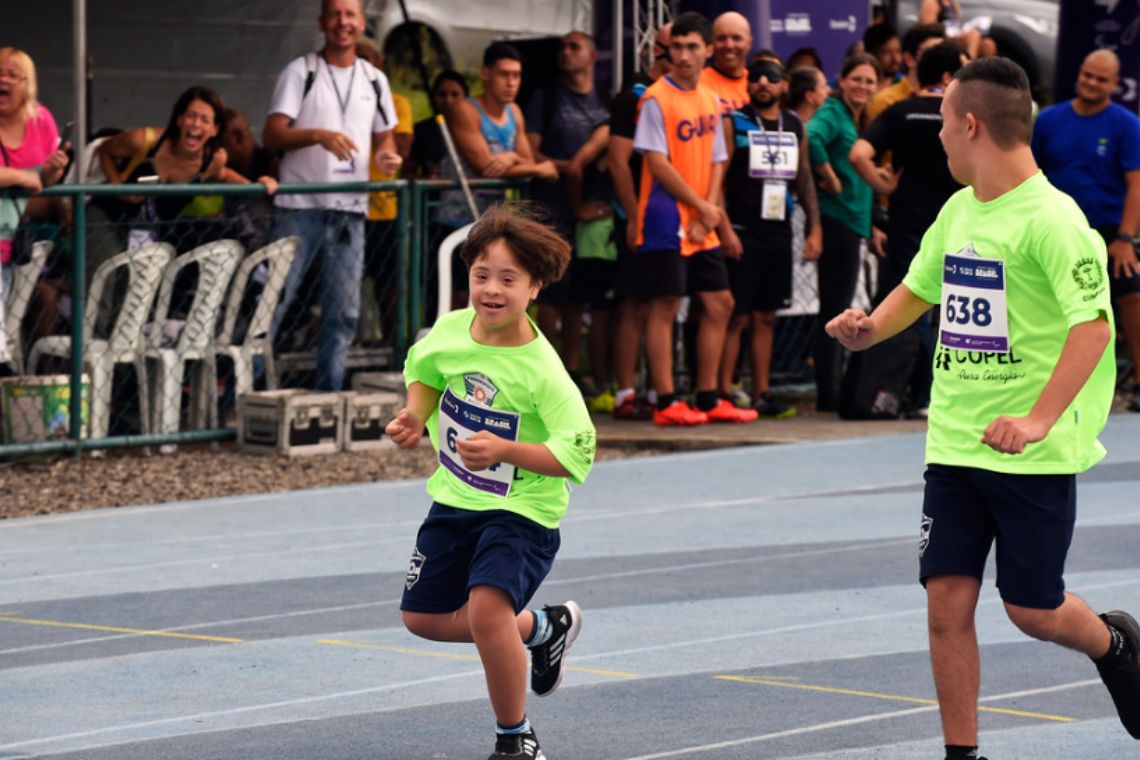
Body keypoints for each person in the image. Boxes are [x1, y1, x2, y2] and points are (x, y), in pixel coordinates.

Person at [826, 56, 1140, 760]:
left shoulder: (1055, 220)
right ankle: (963, 755)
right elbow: (919, 286)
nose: (937, 137)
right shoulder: (959, 209)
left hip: (1029, 451)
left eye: (941, 122)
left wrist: (1037, 420)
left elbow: (1093, 326)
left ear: (970, 124)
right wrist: (870, 326)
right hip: (955, 445)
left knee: (1032, 609)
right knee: (946, 607)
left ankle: (1113, 641)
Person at [386, 205, 595, 760]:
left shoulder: (543, 371)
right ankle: (541, 630)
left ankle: (515, 738)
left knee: (484, 610)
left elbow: (578, 452)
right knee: (422, 618)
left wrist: (506, 449)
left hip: (524, 508)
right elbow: (425, 370)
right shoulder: (453, 329)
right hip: (455, 500)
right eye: (482, 275)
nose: (492, 290)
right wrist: (412, 415)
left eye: (508, 279)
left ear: (534, 287)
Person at [263, 0, 402, 391]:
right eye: (336, 14)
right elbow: (272, 134)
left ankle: (329, 396)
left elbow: (384, 138)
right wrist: (317, 135)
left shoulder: (374, 79)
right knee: (273, 303)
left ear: (361, 23)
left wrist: (388, 158)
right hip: (298, 208)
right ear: (322, 22)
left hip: (349, 210)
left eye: (351, 14)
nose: (344, 22)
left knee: (344, 311)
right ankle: (246, 396)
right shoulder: (300, 71)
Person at [632, 10, 757, 425]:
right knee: (666, 304)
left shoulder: (710, 98)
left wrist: (710, 209)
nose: (683, 55)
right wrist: (701, 206)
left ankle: (708, 396)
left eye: (692, 47)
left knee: (720, 302)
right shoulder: (655, 98)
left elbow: (720, 157)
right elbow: (657, 162)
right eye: (677, 47)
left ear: (706, 50)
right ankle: (667, 401)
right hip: (666, 214)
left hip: (703, 214)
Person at [1032, 49, 1140, 412]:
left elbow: (1136, 185)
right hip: (1056, 228)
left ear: (1114, 83)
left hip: (1109, 232)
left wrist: (1125, 240)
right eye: (1087, 74)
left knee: (1133, 297)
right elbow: (1030, 174)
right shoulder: (1048, 121)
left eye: (1101, 78)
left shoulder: (1126, 125)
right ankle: (1050, 386)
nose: (1092, 83)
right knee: (1052, 305)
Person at [718, 54, 821, 418]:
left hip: (778, 230)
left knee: (766, 317)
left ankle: (761, 393)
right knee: (737, 315)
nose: (763, 83)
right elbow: (718, 178)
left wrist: (815, 226)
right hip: (743, 231)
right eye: (757, 77)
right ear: (748, 84)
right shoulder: (735, 122)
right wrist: (724, 228)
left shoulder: (794, 124)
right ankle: (724, 390)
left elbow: (804, 177)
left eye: (771, 78)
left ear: (783, 86)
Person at [525, 31, 611, 391]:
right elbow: (531, 153)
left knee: (578, 297)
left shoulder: (603, 100)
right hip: (552, 209)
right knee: (551, 295)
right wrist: (574, 167)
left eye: (574, 47)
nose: (565, 53)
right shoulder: (546, 97)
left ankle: (571, 369)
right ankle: (545, 370)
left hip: (590, 216)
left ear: (591, 56)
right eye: (562, 47)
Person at [808, 53, 880, 412]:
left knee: (836, 305)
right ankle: (828, 393)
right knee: (834, 309)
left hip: (853, 223)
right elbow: (811, 137)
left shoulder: (856, 117)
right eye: (857, 79)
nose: (862, 86)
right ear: (843, 80)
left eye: (869, 81)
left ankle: (830, 390)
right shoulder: (834, 112)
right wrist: (830, 176)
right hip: (838, 222)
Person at [608, 22, 671, 421]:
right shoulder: (632, 94)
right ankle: (625, 391)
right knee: (633, 303)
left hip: (671, 218)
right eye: (670, 48)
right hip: (634, 214)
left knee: (661, 305)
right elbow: (618, 161)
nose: (678, 57)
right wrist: (634, 217)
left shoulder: (684, 95)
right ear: (655, 50)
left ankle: (656, 387)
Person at [0, 46, 67, 353]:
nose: (4, 79)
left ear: (28, 84)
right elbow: (29, 180)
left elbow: (44, 183)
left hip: (14, 247)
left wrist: (51, 173)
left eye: (13, 74)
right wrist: (21, 176)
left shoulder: (41, 121)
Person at [356, 37, 414, 346]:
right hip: (347, 206)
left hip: (384, 210)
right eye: (357, 58)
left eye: (368, 59)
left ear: (379, 65)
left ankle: (394, 346)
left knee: (387, 283)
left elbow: (400, 148)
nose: (363, 65)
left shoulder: (397, 102)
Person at [449, 43, 557, 186]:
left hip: (496, 206)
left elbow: (529, 161)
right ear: (485, 74)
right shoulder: (464, 109)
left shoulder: (514, 111)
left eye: (516, 76)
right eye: (504, 74)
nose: (511, 83)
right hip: (461, 205)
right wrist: (537, 169)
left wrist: (512, 157)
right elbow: (486, 168)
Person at [865, 23, 946, 125]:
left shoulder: (949, 98)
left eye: (944, 52)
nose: (941, 59)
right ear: (909, 59)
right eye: (932, 52)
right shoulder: (885, 101)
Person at [409, 70, 468, 180]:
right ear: (434, 97)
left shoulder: (476, 129)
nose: (448, 100)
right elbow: (408, 173)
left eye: (455, 95)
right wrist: (425, 179)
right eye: (442, 94)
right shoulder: (421, 131)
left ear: (466, 98)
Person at [701, 11, 753, 116]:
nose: (729, 45)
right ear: (711, 43)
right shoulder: (697, 83)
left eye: (736, 38)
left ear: (749, 43)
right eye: (721, 38)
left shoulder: (756, 84)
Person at [920, 0, 997, 61]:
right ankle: (968, 67)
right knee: (973, 35)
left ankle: (986, 75)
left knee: (988, 44)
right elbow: (929, 30)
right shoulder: (932, 2)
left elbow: (957, 24)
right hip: (942, 36)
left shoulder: (953, 4)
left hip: (955, 34)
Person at [862, 22, 902, 88]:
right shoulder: (861, 87)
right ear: (870, 55)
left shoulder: (905, 84)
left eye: (898, 51)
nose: (896, 59)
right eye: (886, 53)